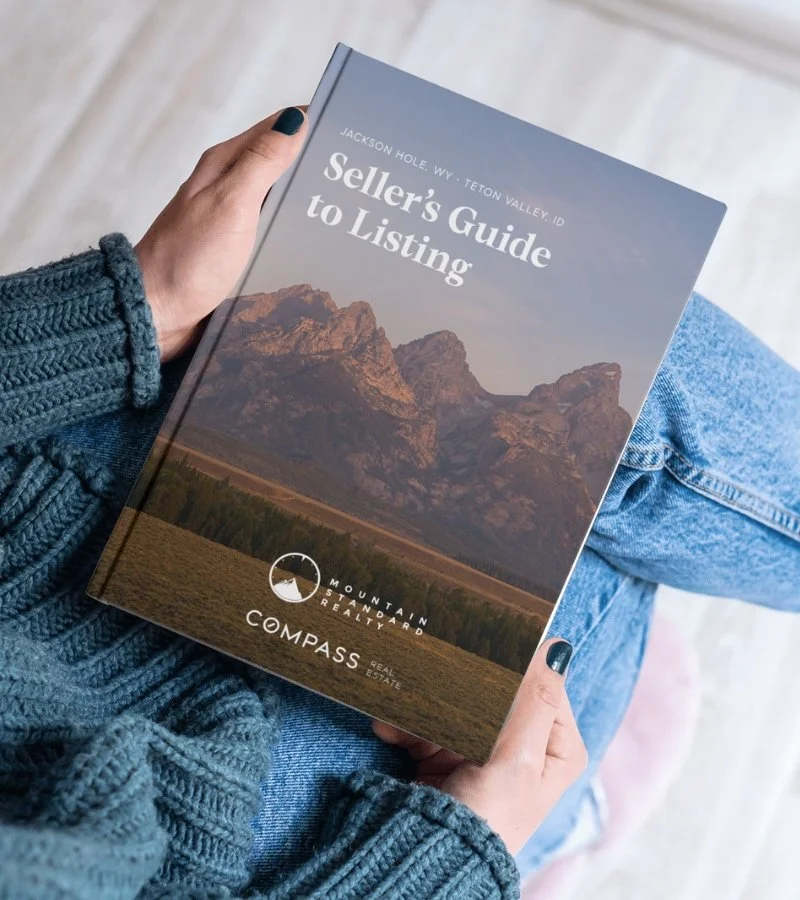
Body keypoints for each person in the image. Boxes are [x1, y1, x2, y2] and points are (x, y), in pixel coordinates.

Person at [0, 107, 797, 899]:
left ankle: (580, 779)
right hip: (211, 834)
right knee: (589, 507)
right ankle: (567, 821)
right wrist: (453, 849)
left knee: (620, 333)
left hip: (33, 527)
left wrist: (130, 311)